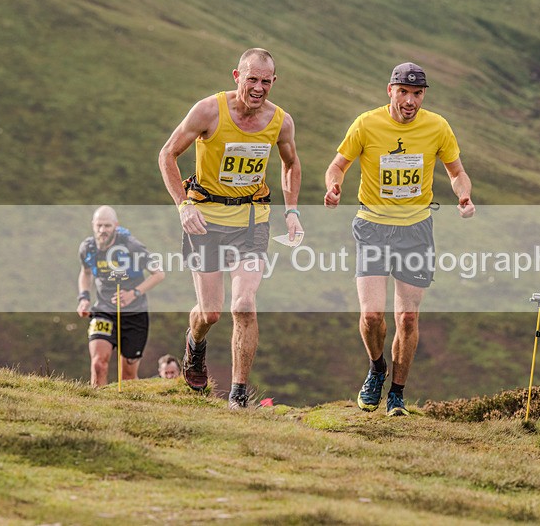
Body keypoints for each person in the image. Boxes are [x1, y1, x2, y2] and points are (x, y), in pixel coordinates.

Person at [323, 62, 475, 416]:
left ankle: (397, 394)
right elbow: (338, 165)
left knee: (407, 319)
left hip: (416, 230)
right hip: (373, 226)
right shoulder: (366, 123)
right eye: (403, 92)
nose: (410, 101)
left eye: (417, 94)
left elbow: (457, 172)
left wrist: (464, 196)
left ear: (424, 95)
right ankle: (377, 369)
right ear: (389, 90)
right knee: (372, 314)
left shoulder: (438, 127)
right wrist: (334, 186)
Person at [158, 48, 303, 409]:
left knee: (244, 305)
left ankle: (238, 395)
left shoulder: (281, 121)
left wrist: (292, 212)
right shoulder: (209, 110)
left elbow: (290, 164)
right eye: (252, 79)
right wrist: (184, 204)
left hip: (252, 220)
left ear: (274, 82)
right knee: (210, 313)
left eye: (265, 81)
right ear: (237, 77)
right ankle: (195, 344)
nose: (258, 88)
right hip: (205, 219)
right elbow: (167, 155)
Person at [77, 206, 166, 387]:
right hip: (103, 310)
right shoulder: (88, 248)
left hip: (134, 314)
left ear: (116, 226)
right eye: (99, 225)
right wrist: (84, 298)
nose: (103, 230)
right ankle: (98, 408)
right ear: (93, 225)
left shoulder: (132, 246)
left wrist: (134, 293)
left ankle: (126, 410)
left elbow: (159, 274)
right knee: (98, 364)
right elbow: (85, 273)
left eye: (107, 226)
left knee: (127, 378)